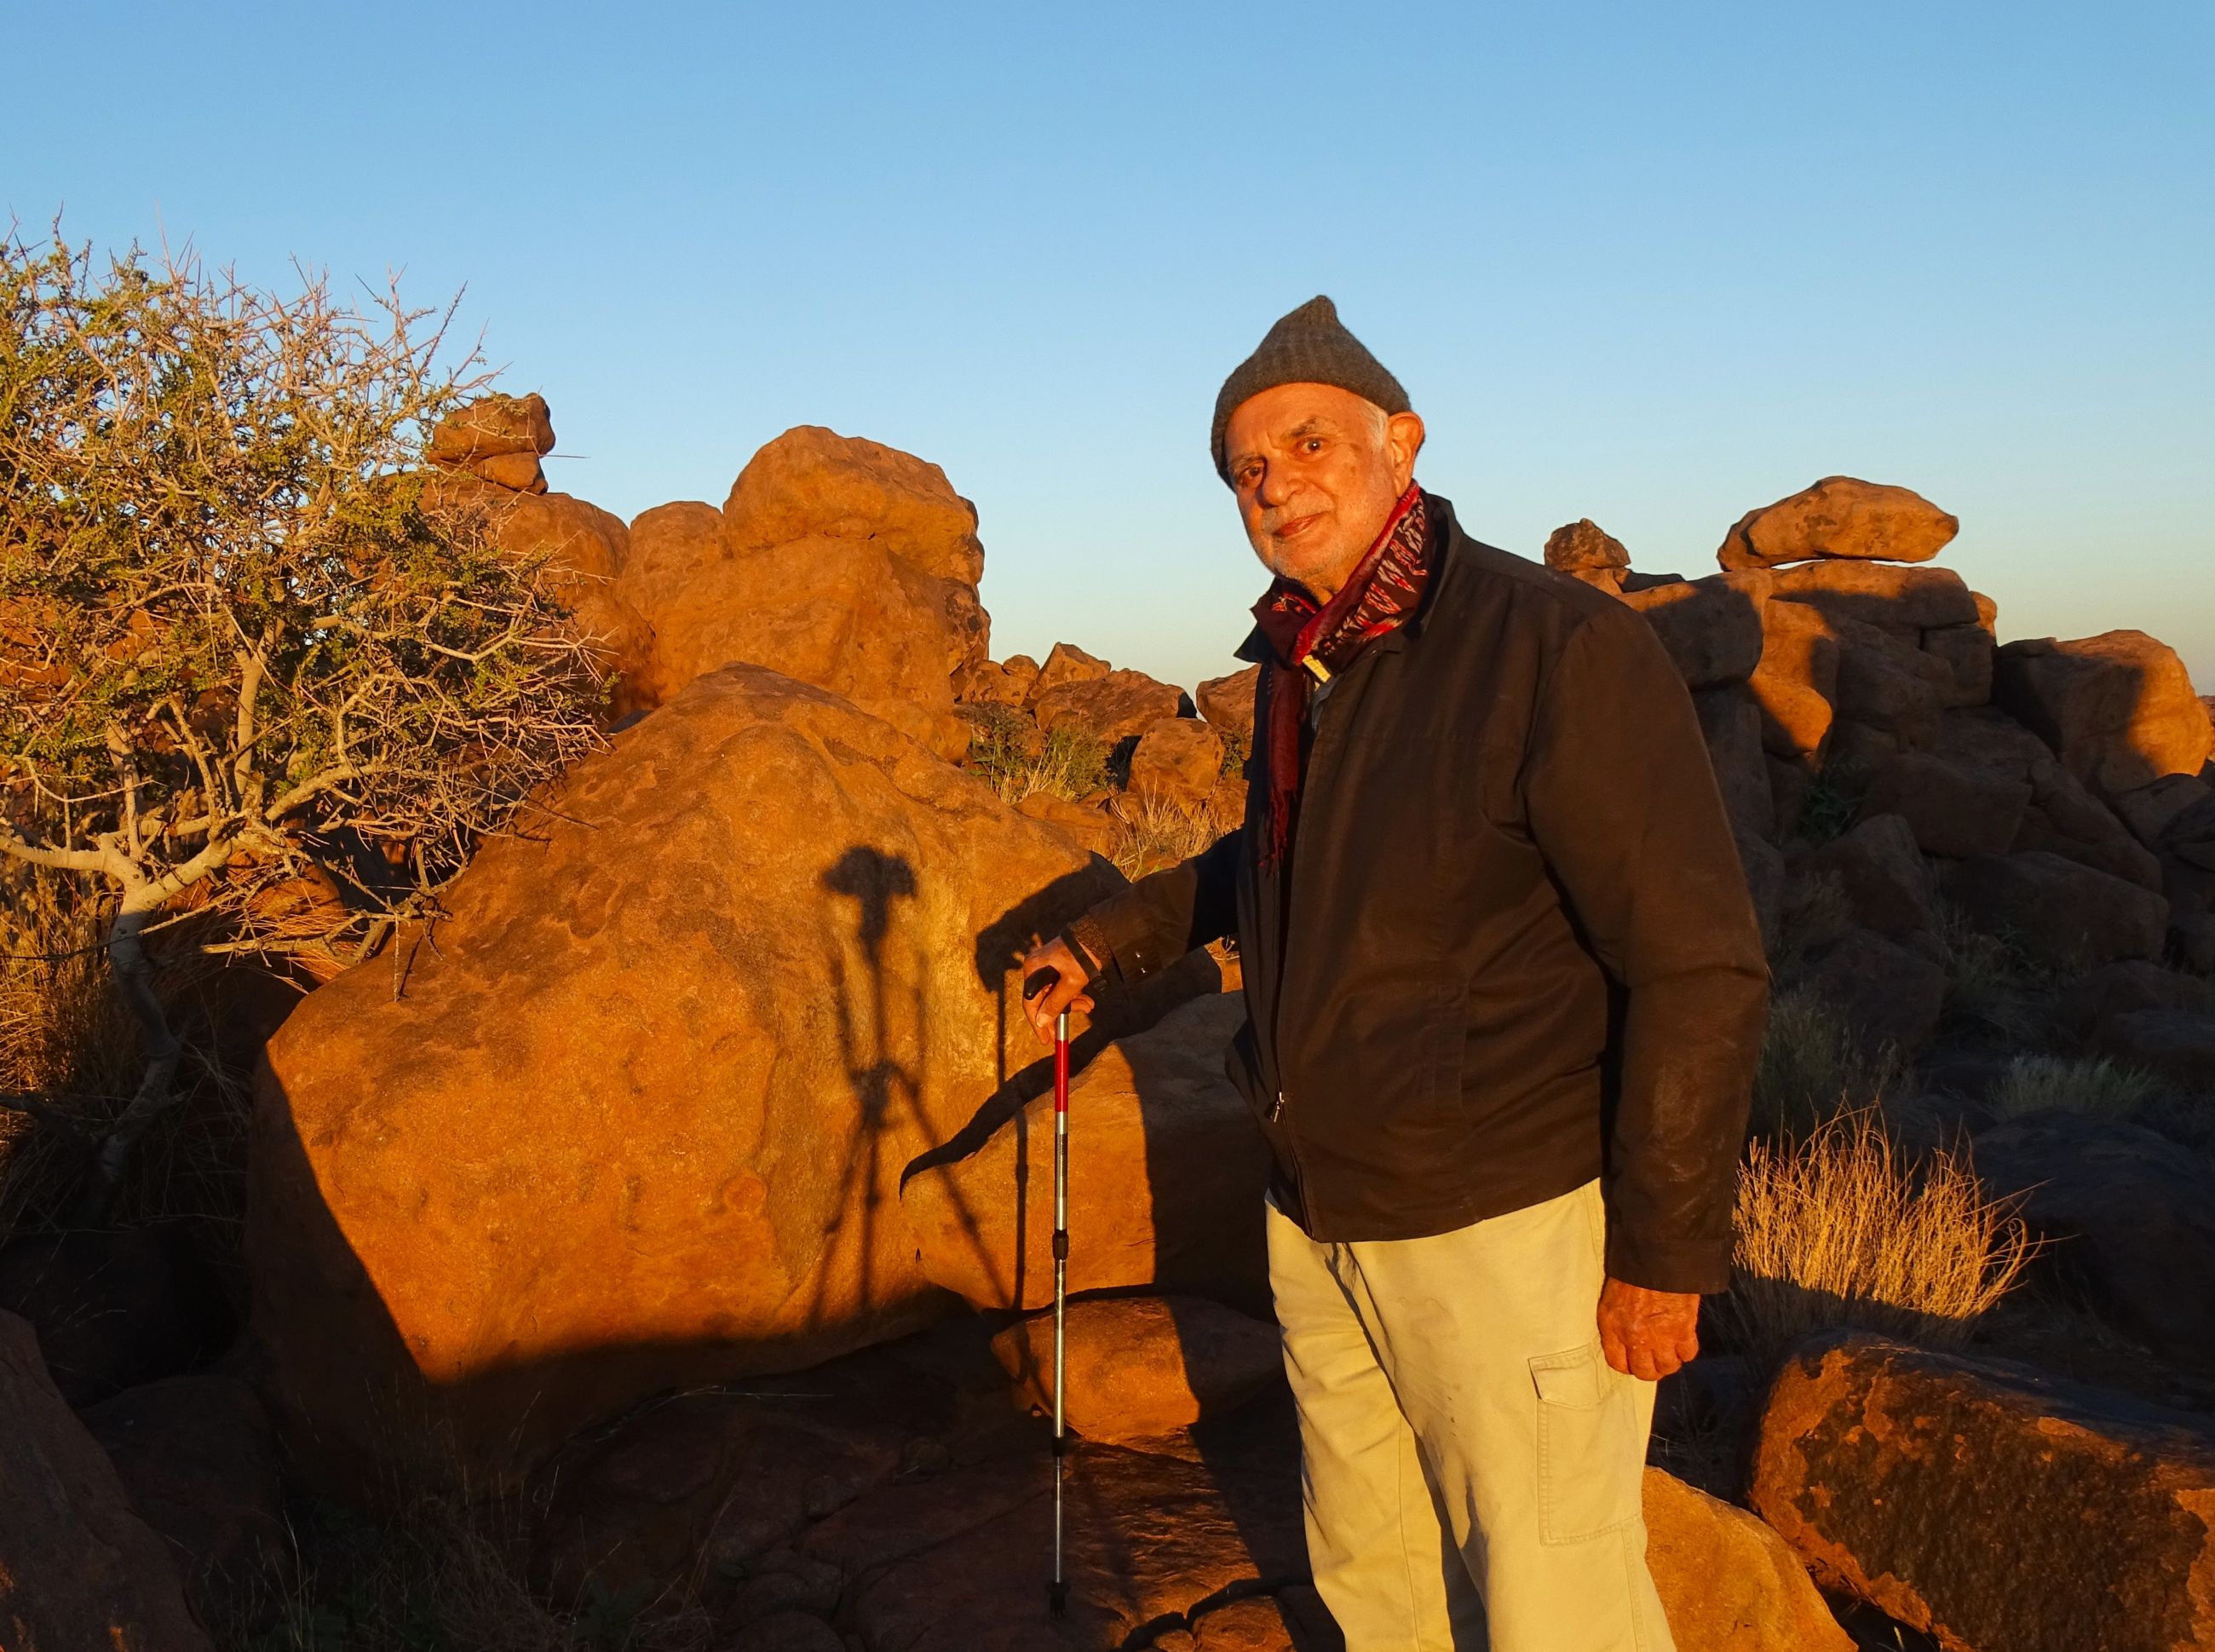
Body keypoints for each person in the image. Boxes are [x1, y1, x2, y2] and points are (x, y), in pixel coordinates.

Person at [1020, 296, 1768, 1652]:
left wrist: (1664, 1255)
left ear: (1401, 441)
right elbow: (1289, 855)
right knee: (1379, 1582)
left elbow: (1698, 965)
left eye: (1308, 441)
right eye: (1248, 467)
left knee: (1555, 1610)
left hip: (1504, 1227)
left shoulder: (1554, 649)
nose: (1275, 481)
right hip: (1323, 1214)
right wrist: (1112, 941)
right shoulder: (1317, 659)